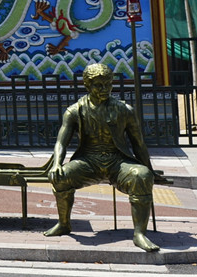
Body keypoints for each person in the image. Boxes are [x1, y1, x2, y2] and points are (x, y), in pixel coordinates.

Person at [43, 63, 159, 252]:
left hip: (117, 162)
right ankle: (64, 224)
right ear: (87, 86)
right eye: (98, 85)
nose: (105, 89)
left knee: (142, 176)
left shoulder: (125, 110)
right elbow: (61, 142)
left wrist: (150, 170)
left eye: (108, 84)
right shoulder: (75, 111)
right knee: (61, 176)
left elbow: (138, 143)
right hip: (88, 161)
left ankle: (139, 234)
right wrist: (57, 164)